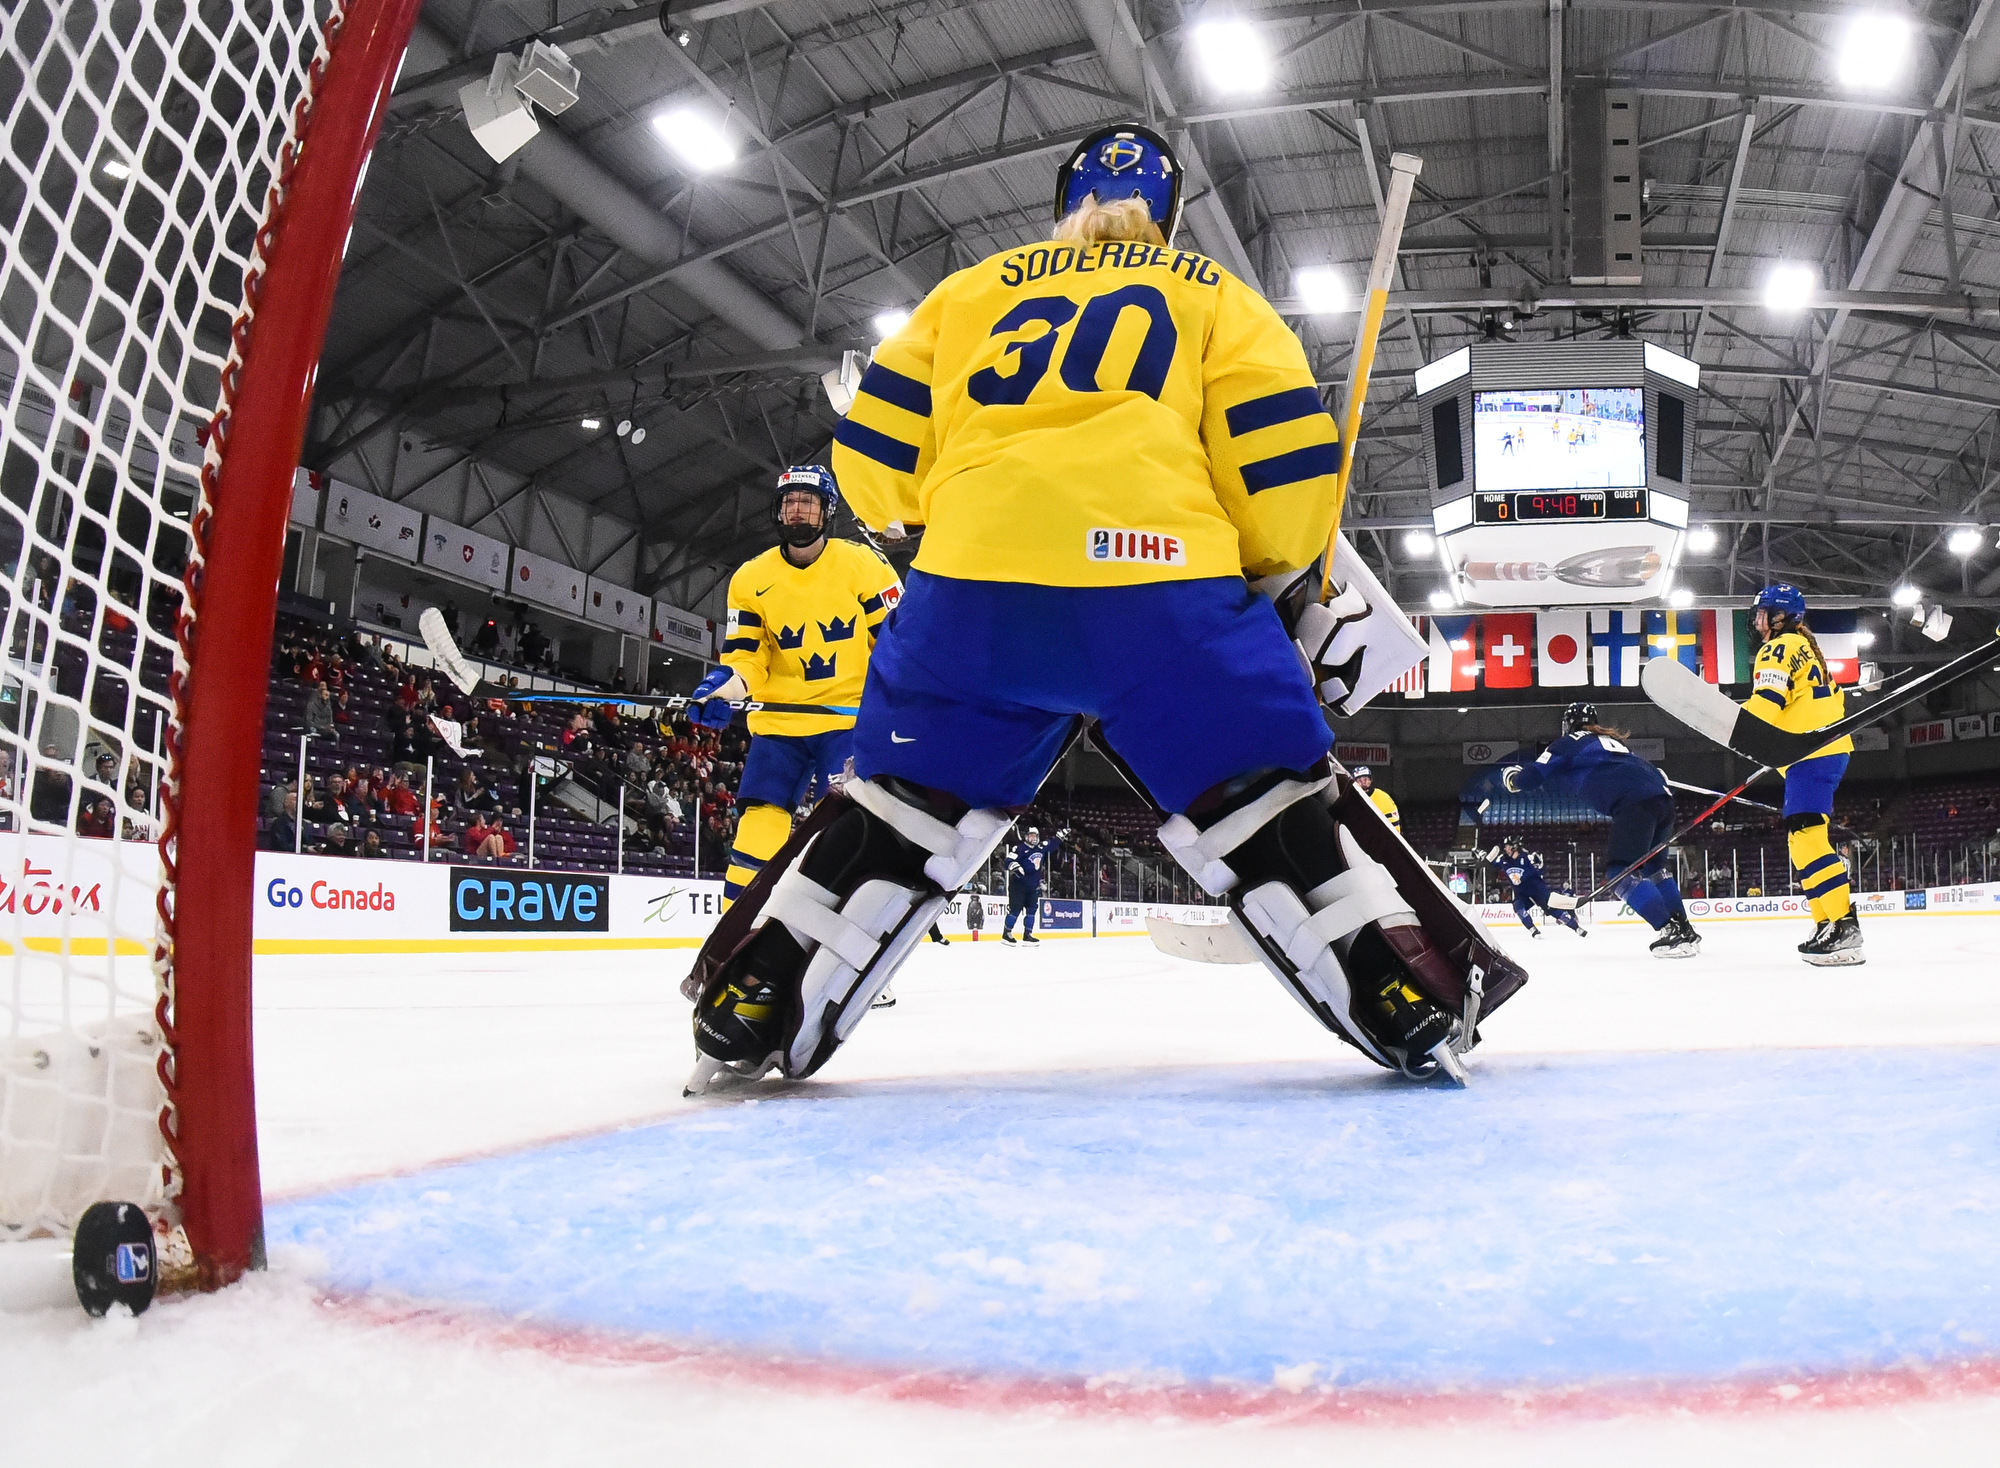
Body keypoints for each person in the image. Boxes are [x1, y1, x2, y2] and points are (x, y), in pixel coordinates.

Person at [682, 123, 1510, 1093]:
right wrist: (1279, 572)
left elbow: (868, 464)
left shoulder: (968, 293)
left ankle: (758, 991)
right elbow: (1285, 475)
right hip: (1162, 600)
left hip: (971, 607)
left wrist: (938, 519)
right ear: (1166, 214)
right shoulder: (1214, 296)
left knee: (899, 814)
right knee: (1267, 806)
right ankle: (1392, 986)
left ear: (1060, 200)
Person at [686, 464, 903, 908]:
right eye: (790, 503)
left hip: (848, 720)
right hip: (780, 721)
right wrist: (721, 689)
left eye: (808, 503)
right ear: (778, 512)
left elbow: (898, 643)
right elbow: (747, 658)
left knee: (845, 822)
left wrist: (905, 702)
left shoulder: (864, 563)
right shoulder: (750, 579)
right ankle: (736, 925)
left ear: (828, 512)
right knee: (759, 821)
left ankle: (837, 930)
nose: (798, 512)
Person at [1495, 704, 1698, 957]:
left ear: (1567, 725)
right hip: (1663, 800)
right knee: (1656, 870)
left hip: (1634, 804)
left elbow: (1533, 775)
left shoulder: (1567, 742)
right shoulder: (1616, 743)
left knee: (1619, 872)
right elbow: (1650, 773)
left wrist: (1513, 779)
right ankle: (1686, 930)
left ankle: (1669, 931)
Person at [1745, 583, 1861, 965]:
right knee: (1800, 841)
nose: (1757, 620)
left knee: (1809, 838)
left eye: (1763, 613)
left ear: (1779, 617)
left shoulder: (1779, 647)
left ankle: (1844, 925)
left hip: (1813, 753)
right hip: (1818, 753)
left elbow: (1768, 704)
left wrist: (1735, 725)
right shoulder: (1807, 648)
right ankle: (1826, 922)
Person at [1485, 836, 1583, 938]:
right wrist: (1484, 857)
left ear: (1515, 847)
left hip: (1537, 891)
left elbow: (1540, 870)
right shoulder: (1503, 859)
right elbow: (1491, 864)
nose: (1505, 849)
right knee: (1518, 906)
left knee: (1551, 910)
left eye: (1508, 846)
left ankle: (1577, 928)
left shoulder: (1528, 858)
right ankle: (1534, 931)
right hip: (1522, 893)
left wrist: (1537, 865)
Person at [1001, 825, 1065, 945]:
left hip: (1032, 887)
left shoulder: (1041, 847)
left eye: (1035, 836)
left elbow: (1051, 845)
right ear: (1026, 837)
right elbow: (1007, 862)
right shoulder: (1019, 848)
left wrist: (1060, 837)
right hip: (1018, 886)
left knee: (1031, 910)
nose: (1033, 838)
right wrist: (1016, 866)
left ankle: (1027, 934)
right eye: (1031, 836)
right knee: (1015, 910)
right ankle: (1006, 934)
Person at [1352, 765, 1399, 832]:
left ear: (1371, 779)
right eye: (1359, 779)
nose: (1363, 782)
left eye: (1365, 778)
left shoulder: (1383, 797)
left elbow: (1394, 824)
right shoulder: (1351, 798)